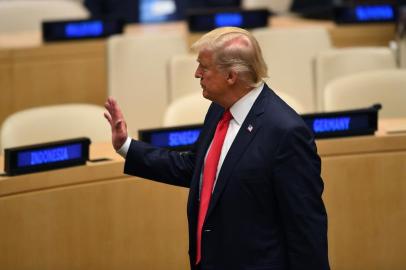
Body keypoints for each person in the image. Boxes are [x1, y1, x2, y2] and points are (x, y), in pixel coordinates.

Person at [104, 27, 330, 270]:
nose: (196, 73)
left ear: (231, 76)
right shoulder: (220, 109)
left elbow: (306, 227)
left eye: (204, 67)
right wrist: (126, 146)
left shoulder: (286, 132)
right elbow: (195, 168)